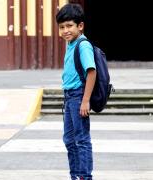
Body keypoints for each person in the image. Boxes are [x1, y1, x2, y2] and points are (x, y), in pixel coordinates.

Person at [56, 3, 96, 180]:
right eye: (62, 27)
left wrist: (85, 100)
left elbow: (91, 71)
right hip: (70, 97)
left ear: (80, 26)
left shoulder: (82, 44)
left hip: (79, 96)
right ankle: (76, 175)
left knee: (81, 140)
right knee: (69, 140)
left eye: (69, 26)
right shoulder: (70, 43)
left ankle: (84, 177)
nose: (65, 30)